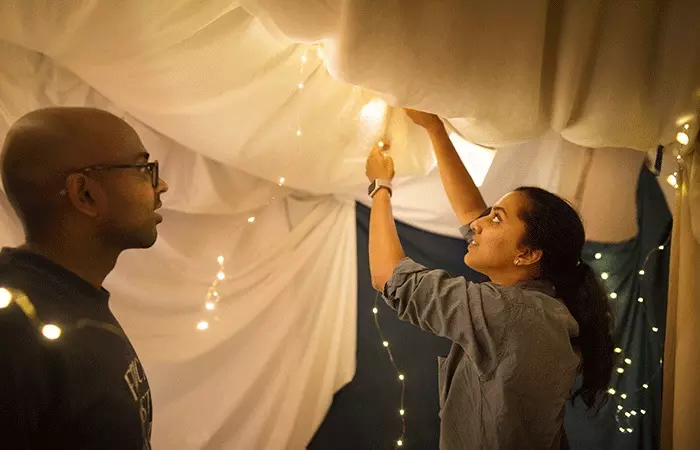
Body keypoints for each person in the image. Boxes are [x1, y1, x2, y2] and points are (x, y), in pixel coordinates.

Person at [365, 109, 614, 449]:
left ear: (527, 254)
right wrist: (434, 129)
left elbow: (390, 278)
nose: (478, 225)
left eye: (497, 218)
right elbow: (472, 214)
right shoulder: (541, 308)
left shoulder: (509, 313)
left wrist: (380, 187)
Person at [0, 107, 168, 449]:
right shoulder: (13, 334)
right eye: (143, 169)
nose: (161, 185)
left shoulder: (71, 298)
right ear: (85, 193)